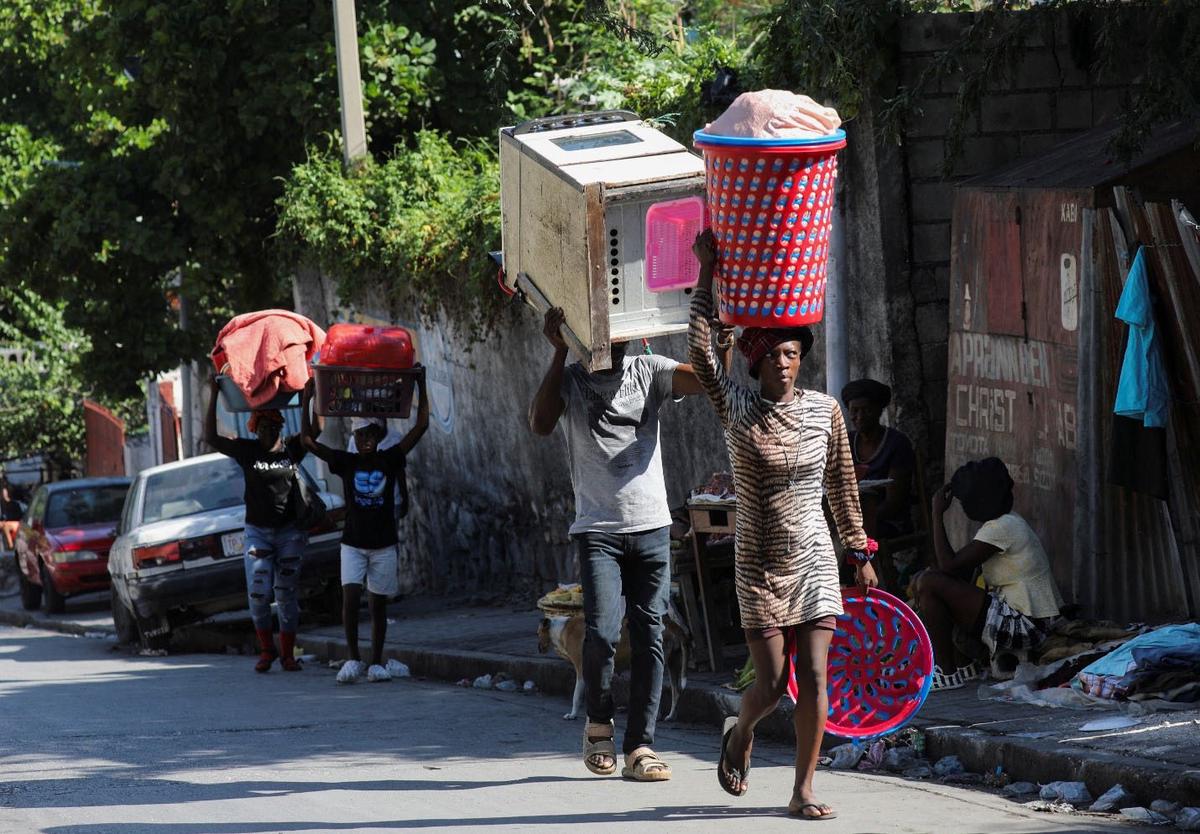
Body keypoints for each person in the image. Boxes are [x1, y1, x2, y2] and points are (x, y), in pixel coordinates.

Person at [688, 230, 877, 821]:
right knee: (770, 686)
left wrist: (857, 548)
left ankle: (803, 791)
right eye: (773, 355)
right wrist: (707, 273)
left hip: (816, 557)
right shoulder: (739, 408)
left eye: (793, 353)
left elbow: (842, 484)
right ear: (756, 362)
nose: (785, 363)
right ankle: (740, 730)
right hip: (759, 563)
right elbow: (699, 357)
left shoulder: (826, 411)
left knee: (816, 676)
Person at [528, 306, 711, 783]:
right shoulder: (569, 379)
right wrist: (558, 350)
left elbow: (709, 381)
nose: (611, 344)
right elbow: (539, 423)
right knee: (604, 633)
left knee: (651, 637)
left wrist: (718, 338)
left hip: (650, 526)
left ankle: (641, 746)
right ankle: (599, 727)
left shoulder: (651, 370)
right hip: (597, 530)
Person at [300, 373, 428, 683]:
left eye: (371, 435)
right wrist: (306, 399)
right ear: (354, 438)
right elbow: (307, 441)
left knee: (378, 606)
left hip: (383, 544)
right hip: (353, 543)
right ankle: (354, 659)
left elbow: (421, 425)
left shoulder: (389, 458)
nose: (366, 440)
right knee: (350, 600)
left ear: (378, 436)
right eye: (361, 436)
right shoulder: (346, 461)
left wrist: (421, 384)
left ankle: (375, 661)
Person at [915, 457, 1064, 690]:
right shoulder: (1006, 522)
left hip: (1028, 627)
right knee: (929, 583)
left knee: (929, 582)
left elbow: (949, 566)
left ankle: (947, 672)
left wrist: (936, 515)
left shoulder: (1002, 527)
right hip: (1025, 621)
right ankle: (962, 666)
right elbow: (956, 573)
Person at [205, 376, 320, 673]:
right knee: (258, 592)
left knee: (286, 592)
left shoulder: (292, 449)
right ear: (255, 430)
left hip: (289, 532)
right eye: (263, 428)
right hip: (258, 532)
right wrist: (214, 393)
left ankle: (287, 655)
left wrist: (310, 396)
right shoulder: (248, 451)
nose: (268, 433)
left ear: (281, 427)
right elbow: (212, 438)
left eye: (273, 427)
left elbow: (316, 430)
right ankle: (266, 651)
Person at [842, 378, 916, 540]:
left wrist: (858, 521)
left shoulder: (897, 444)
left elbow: (893, 503)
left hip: (888, 521)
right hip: (854, 519)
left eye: (866, 410)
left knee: (848, 538)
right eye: (854, 411)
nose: (860, 417)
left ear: (878, 411)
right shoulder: (846, 442)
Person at [0, 478, 21, 552]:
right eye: (3, 492)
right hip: (4, 523)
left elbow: (18, 516)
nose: (4, 494)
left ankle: (11, 545)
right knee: (4, 524)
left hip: (15, 523)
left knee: (5, 525)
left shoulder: (15, 504)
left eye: (5, 492)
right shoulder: (2, 504)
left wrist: (7, 519)